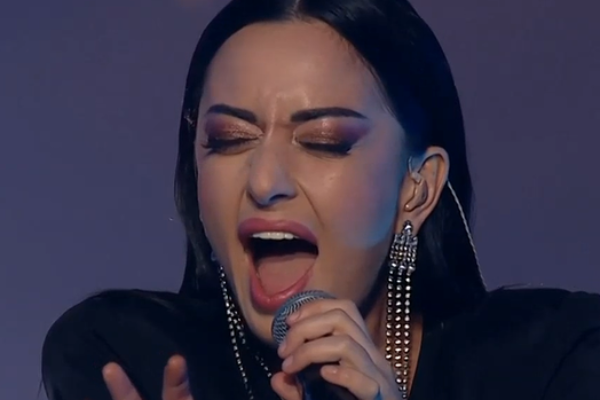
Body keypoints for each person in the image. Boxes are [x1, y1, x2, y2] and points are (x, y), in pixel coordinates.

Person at [41, 0, 600, 399]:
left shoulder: (558, 356)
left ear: (418, 186)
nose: (265, 180)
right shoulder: (126, 355)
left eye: (324, 141)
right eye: (230, 139)